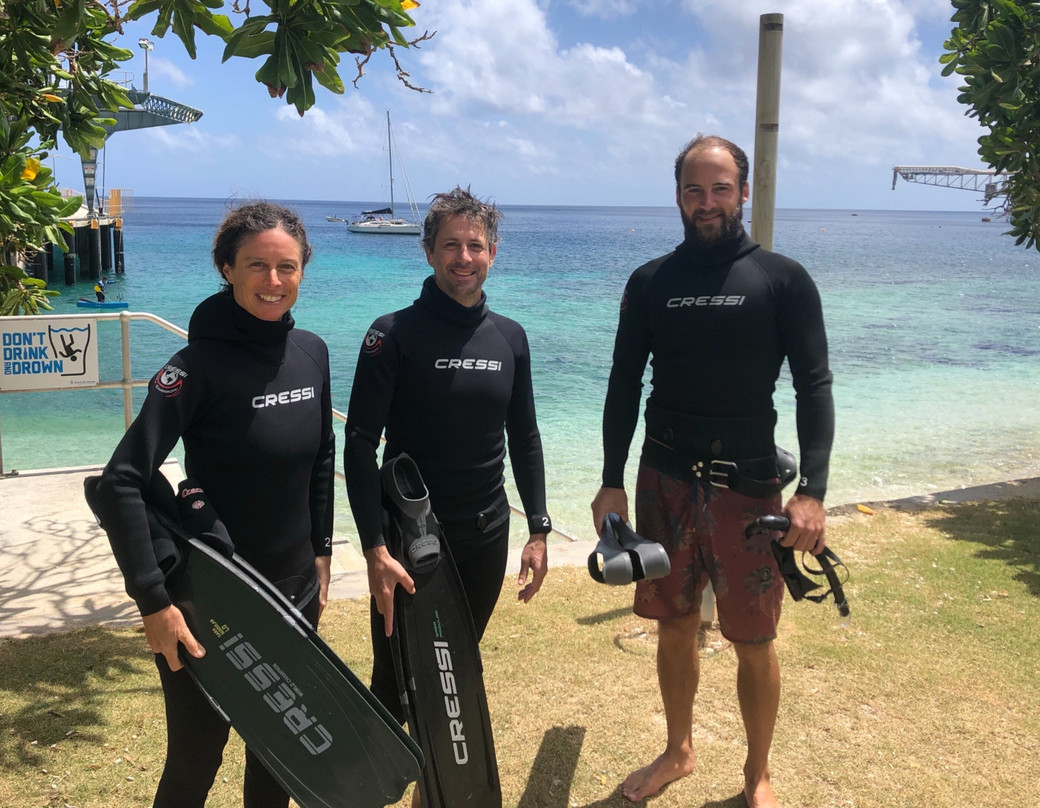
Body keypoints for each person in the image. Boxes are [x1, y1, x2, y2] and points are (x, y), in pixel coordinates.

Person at [590, 135, 834, 808]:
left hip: (749, 487)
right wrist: (611, 477)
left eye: (720, 188)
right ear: (677, 196)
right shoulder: (650, 282)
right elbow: (622, 383)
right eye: (694, 190)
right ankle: (679, 750)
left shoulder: (783, 280)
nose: (707, 202)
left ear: (744, 192)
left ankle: (757, 775)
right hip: (663, 476)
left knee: (754, 637)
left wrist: (812, 491)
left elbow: (814, 386)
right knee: (672, 623)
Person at [93, 201, 336, 808]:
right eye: (257, 265)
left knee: (281, 750)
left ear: (303, 270)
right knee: (198, 755)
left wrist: (323, 551)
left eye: (287, 267)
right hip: (210, 598)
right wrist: (154, 602)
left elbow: (322, 457)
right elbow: (121, 480)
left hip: (294, 589)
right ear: (227, 268)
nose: (273, 281)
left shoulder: (311, 352)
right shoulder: (194, 367)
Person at [343, 186, 552, 721]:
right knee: (394, 676)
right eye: (451, 245)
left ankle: (430, 794)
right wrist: (374, 549)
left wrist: (538, 530)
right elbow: (359, 444)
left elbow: (524, 437)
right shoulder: (391, 335)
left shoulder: (510, 338)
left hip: (485, 534)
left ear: (493, 253)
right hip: (409, 538)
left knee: (456, 667)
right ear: (429, 251)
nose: (465, 258)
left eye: (476, 245)